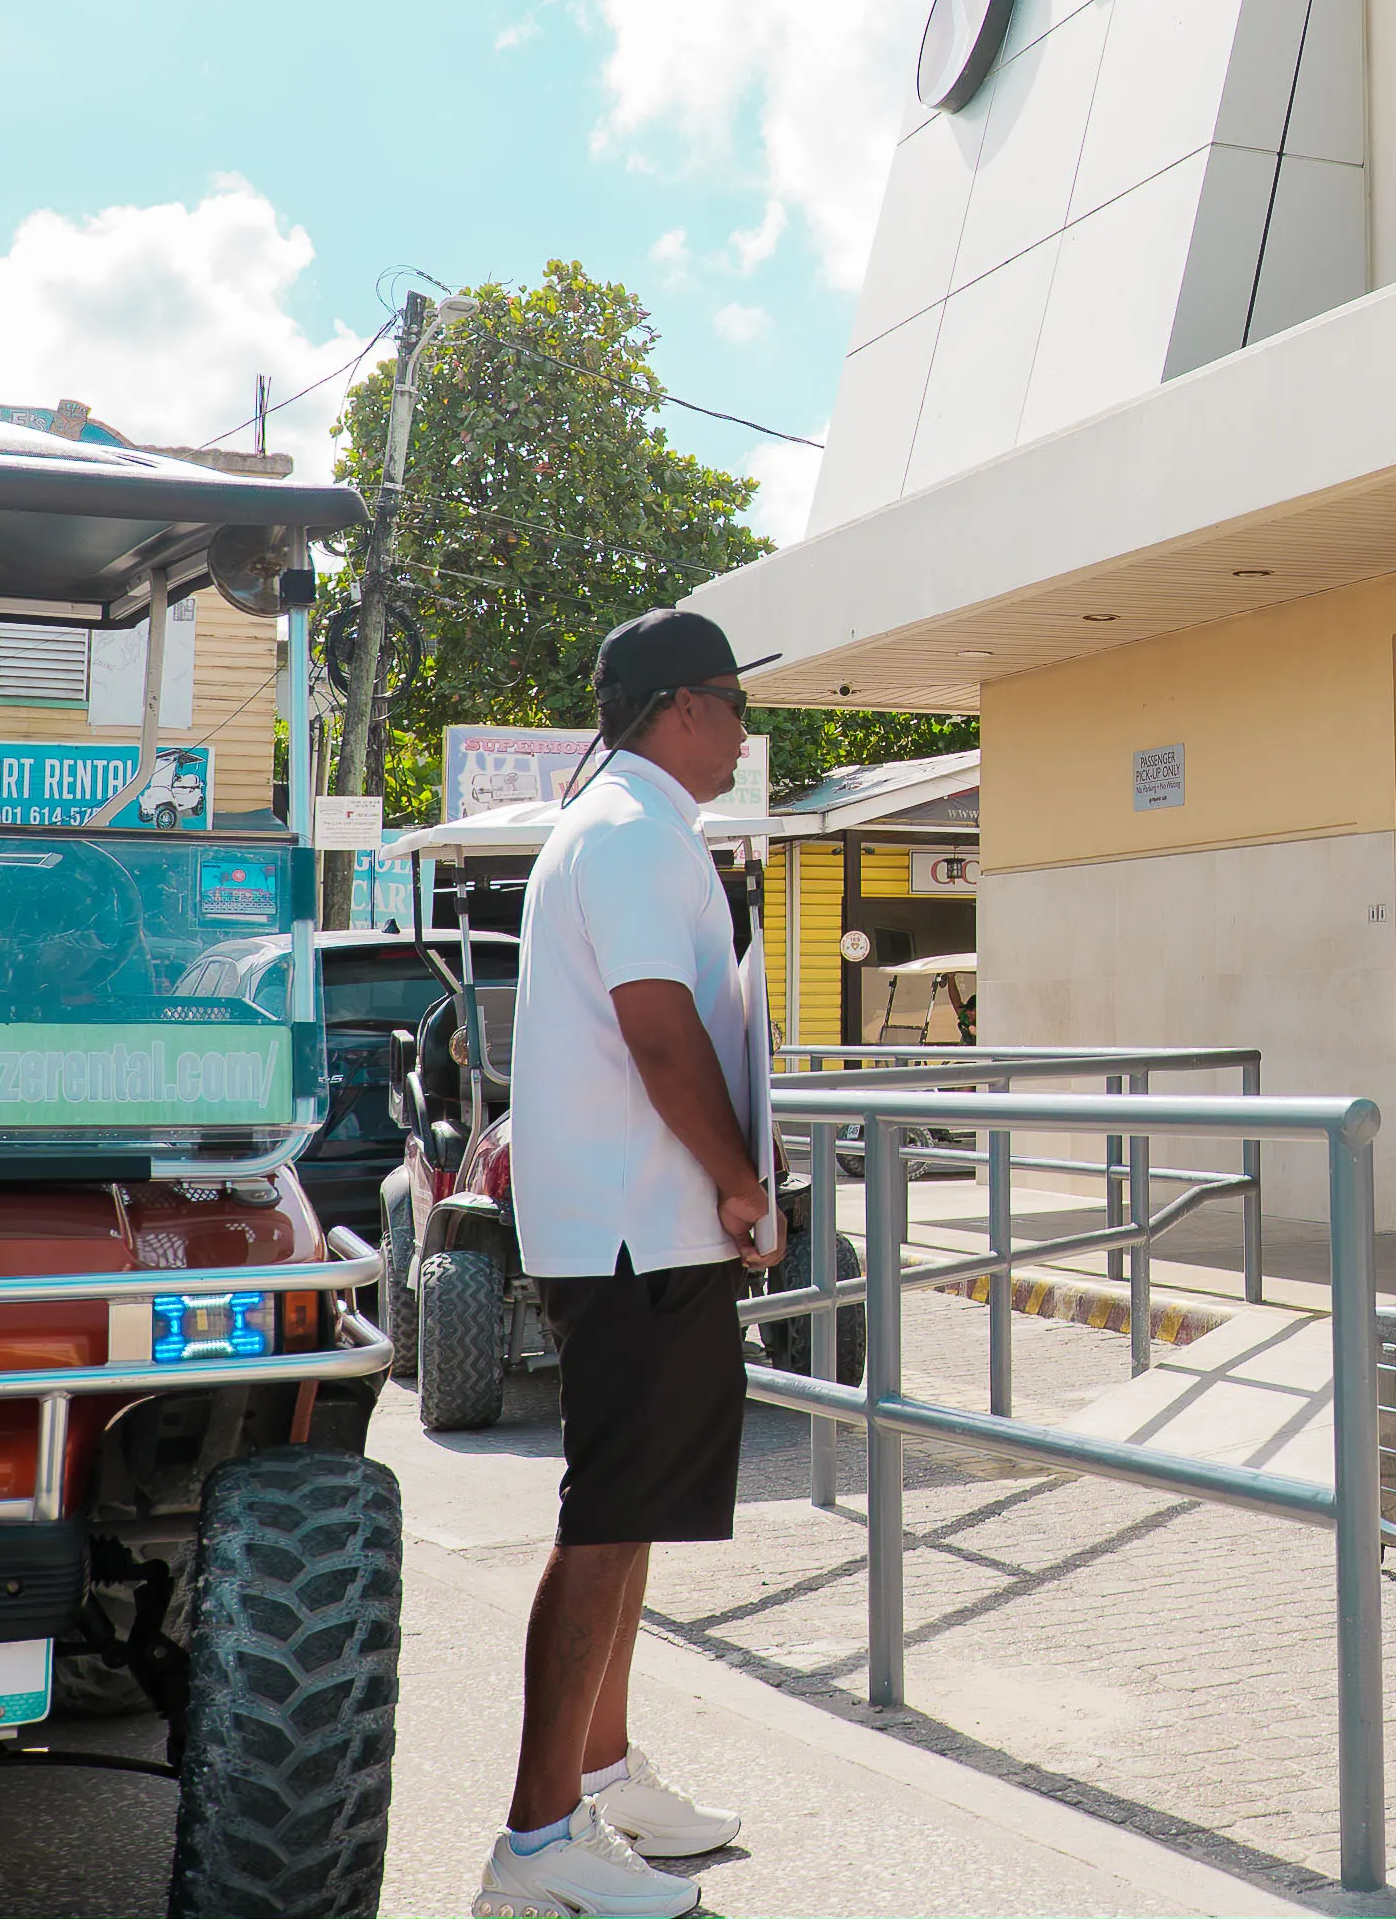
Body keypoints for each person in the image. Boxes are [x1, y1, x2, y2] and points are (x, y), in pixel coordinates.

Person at [477, 608, 779, 1919]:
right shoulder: (635, 833)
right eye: (736, 703)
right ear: (681, 709)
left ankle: (600, 1775)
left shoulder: (624, 825)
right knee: (604, 1519)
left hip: (631, 1225)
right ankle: (537, 1844)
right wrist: (741, 1178)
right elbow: (659, 1038)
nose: (747, 732)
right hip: (635, 1230)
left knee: (630, 1507)